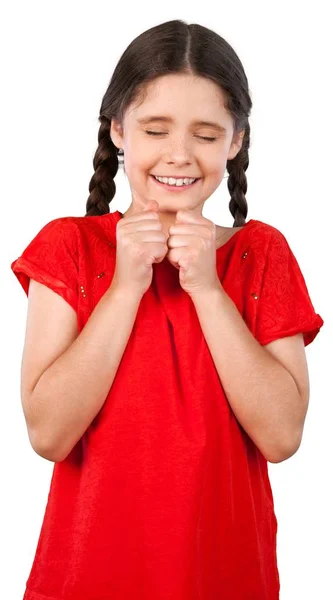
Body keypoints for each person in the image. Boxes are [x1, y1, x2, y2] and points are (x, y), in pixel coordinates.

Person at [10, 19, 324, 600]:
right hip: (86, 581)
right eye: (156, 129)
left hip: (226, 581)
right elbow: (49, 433)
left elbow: (282, 436)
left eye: (206, 135)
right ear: (118, 129)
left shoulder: (263, 254)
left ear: (235, 142)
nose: (179, 155)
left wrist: (208, 289)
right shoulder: (68, 248)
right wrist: (126, 288)